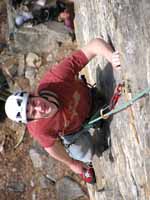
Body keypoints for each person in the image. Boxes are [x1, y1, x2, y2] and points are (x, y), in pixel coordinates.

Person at [5, 38, 120, 184]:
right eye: (33, 112)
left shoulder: (55, 80)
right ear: (32, 120)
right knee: (86, 153)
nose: (39, 108)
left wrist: (111, 57)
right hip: (73, 131)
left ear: (34, 94)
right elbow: (51, 147)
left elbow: (93, 46)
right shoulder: (38, 129)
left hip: (92, 103)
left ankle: (96, 122)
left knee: (104, 110)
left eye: (33, 102)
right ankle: (86, 165)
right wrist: (72, 163)